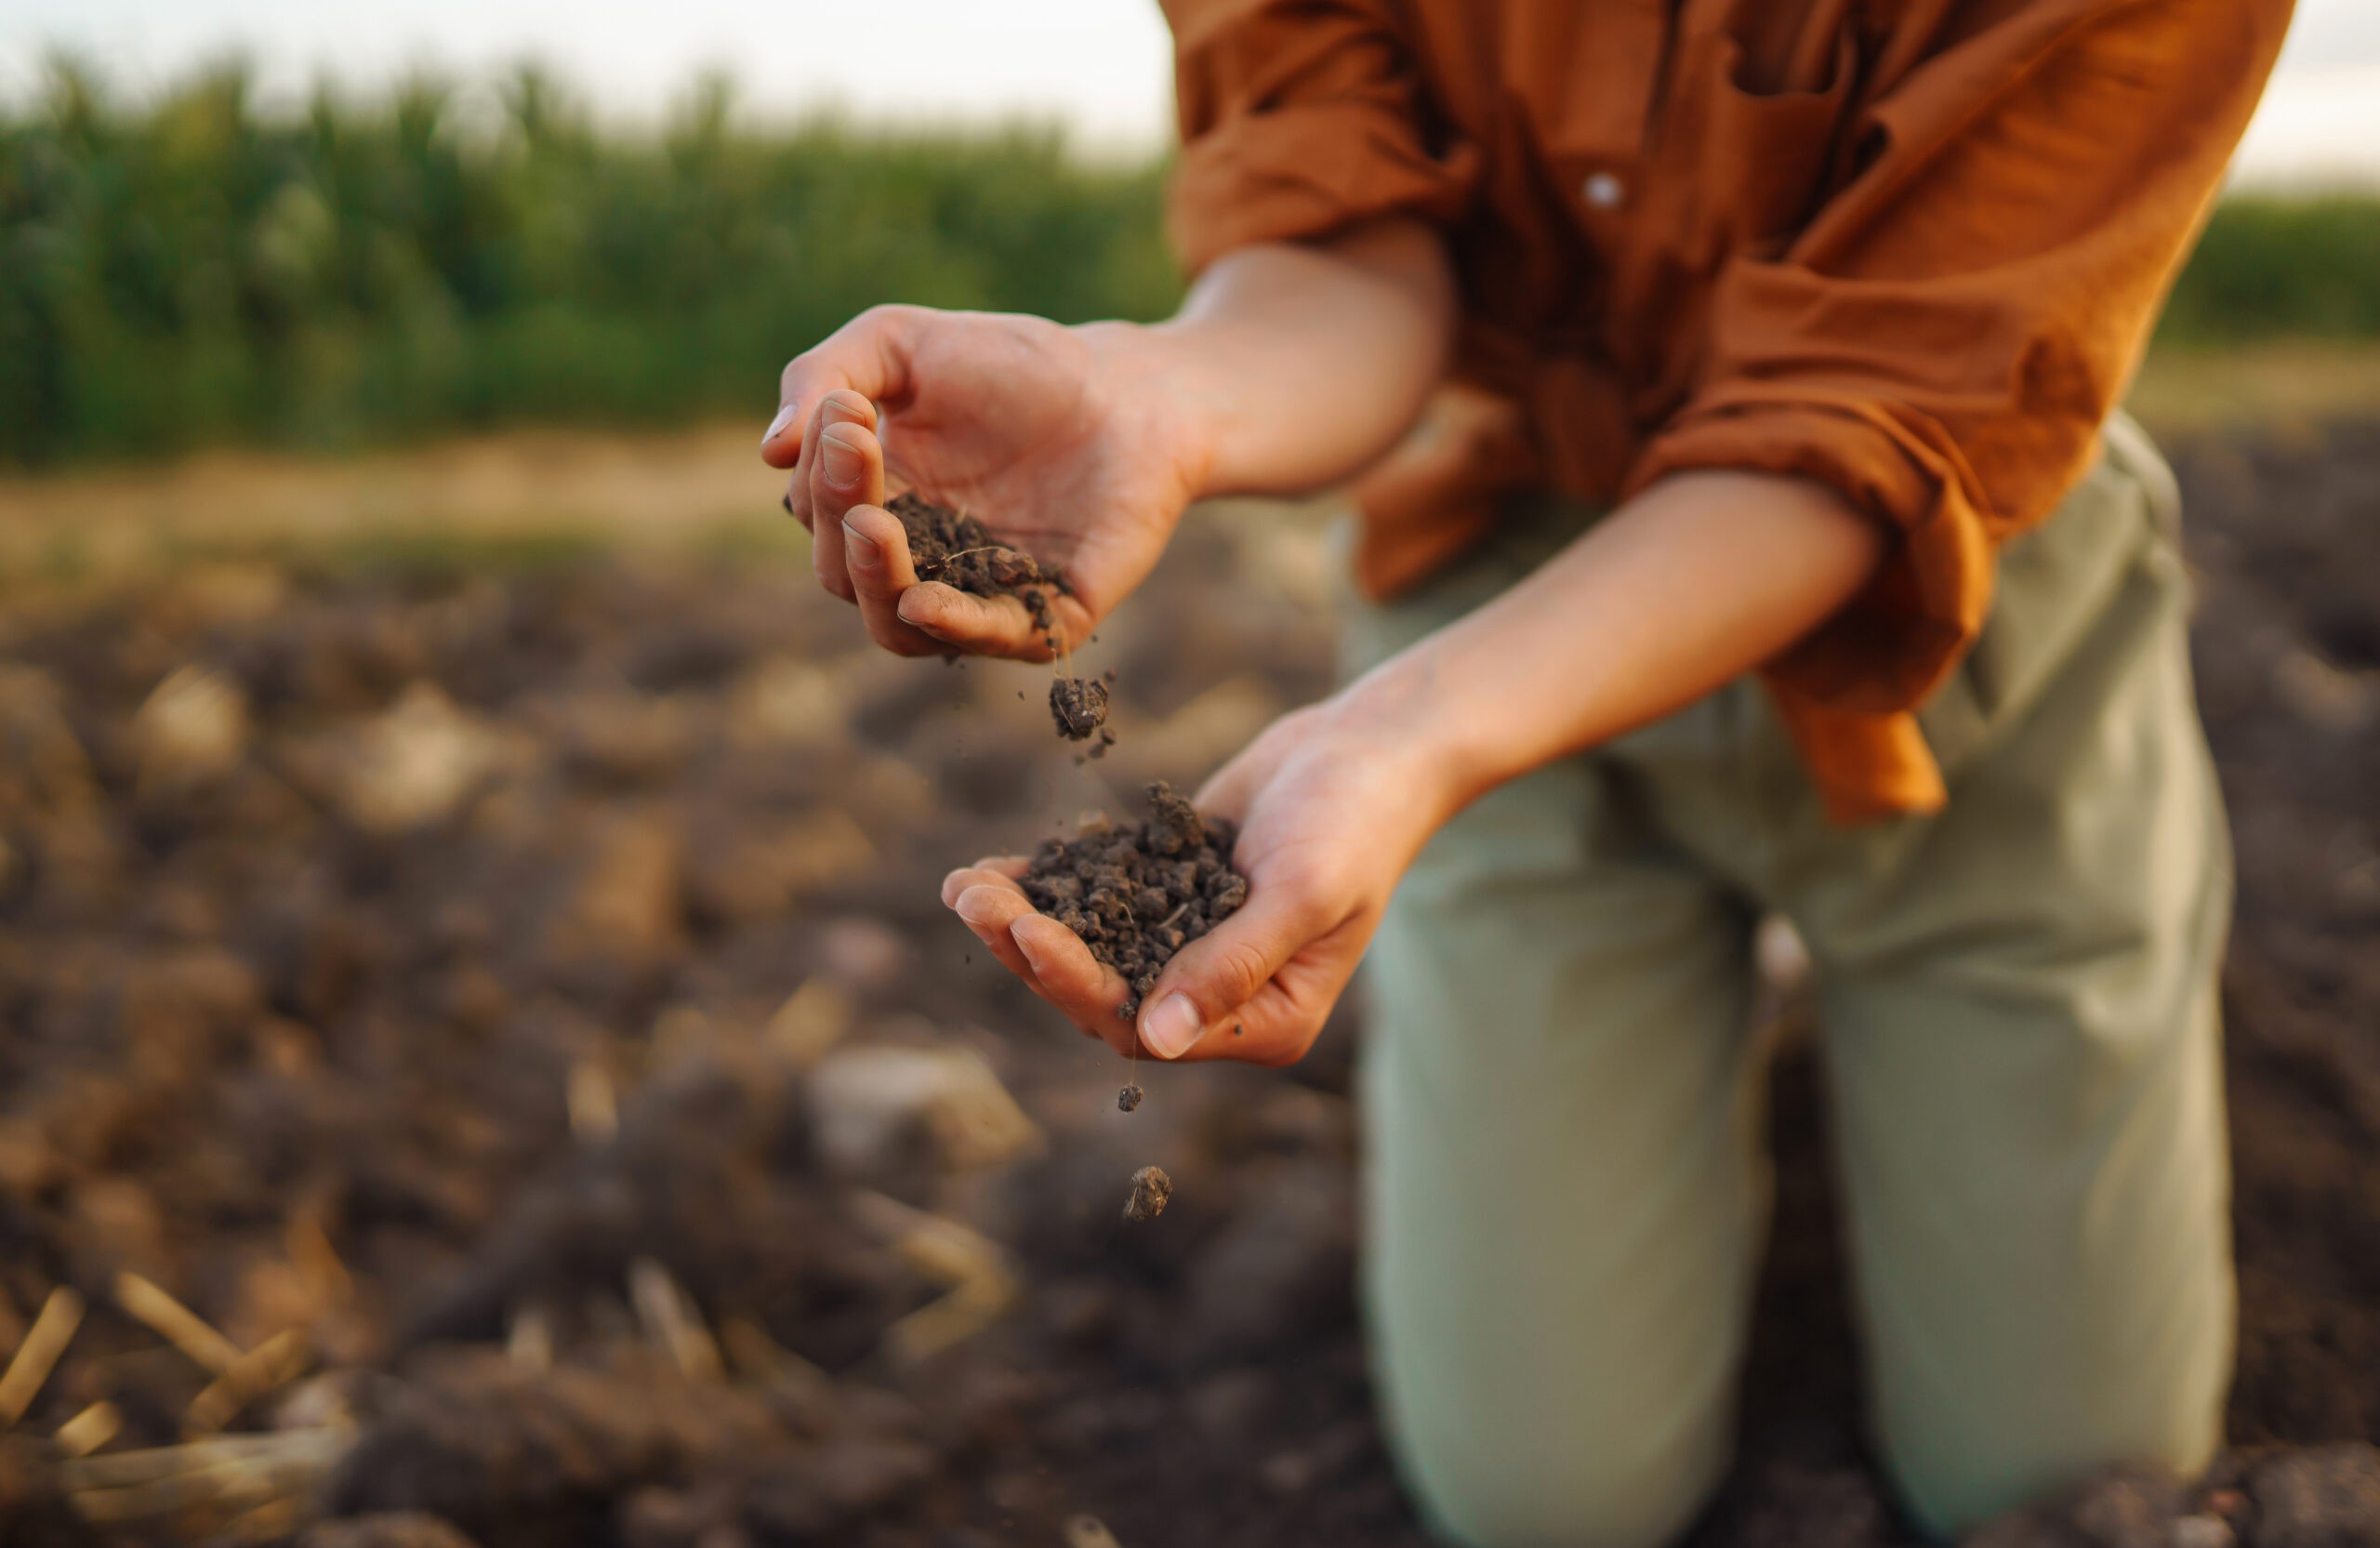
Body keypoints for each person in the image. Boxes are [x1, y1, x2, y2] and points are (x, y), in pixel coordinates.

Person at [761, 1, 2293, 1541]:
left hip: (1944, 601)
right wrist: (1160, 393)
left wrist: (1409, 731)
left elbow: (1888, 402)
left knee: (2061, 1481)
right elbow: (1355, 244)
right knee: (1544, 1499)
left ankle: (1877, 1078)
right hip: (1498, 595)